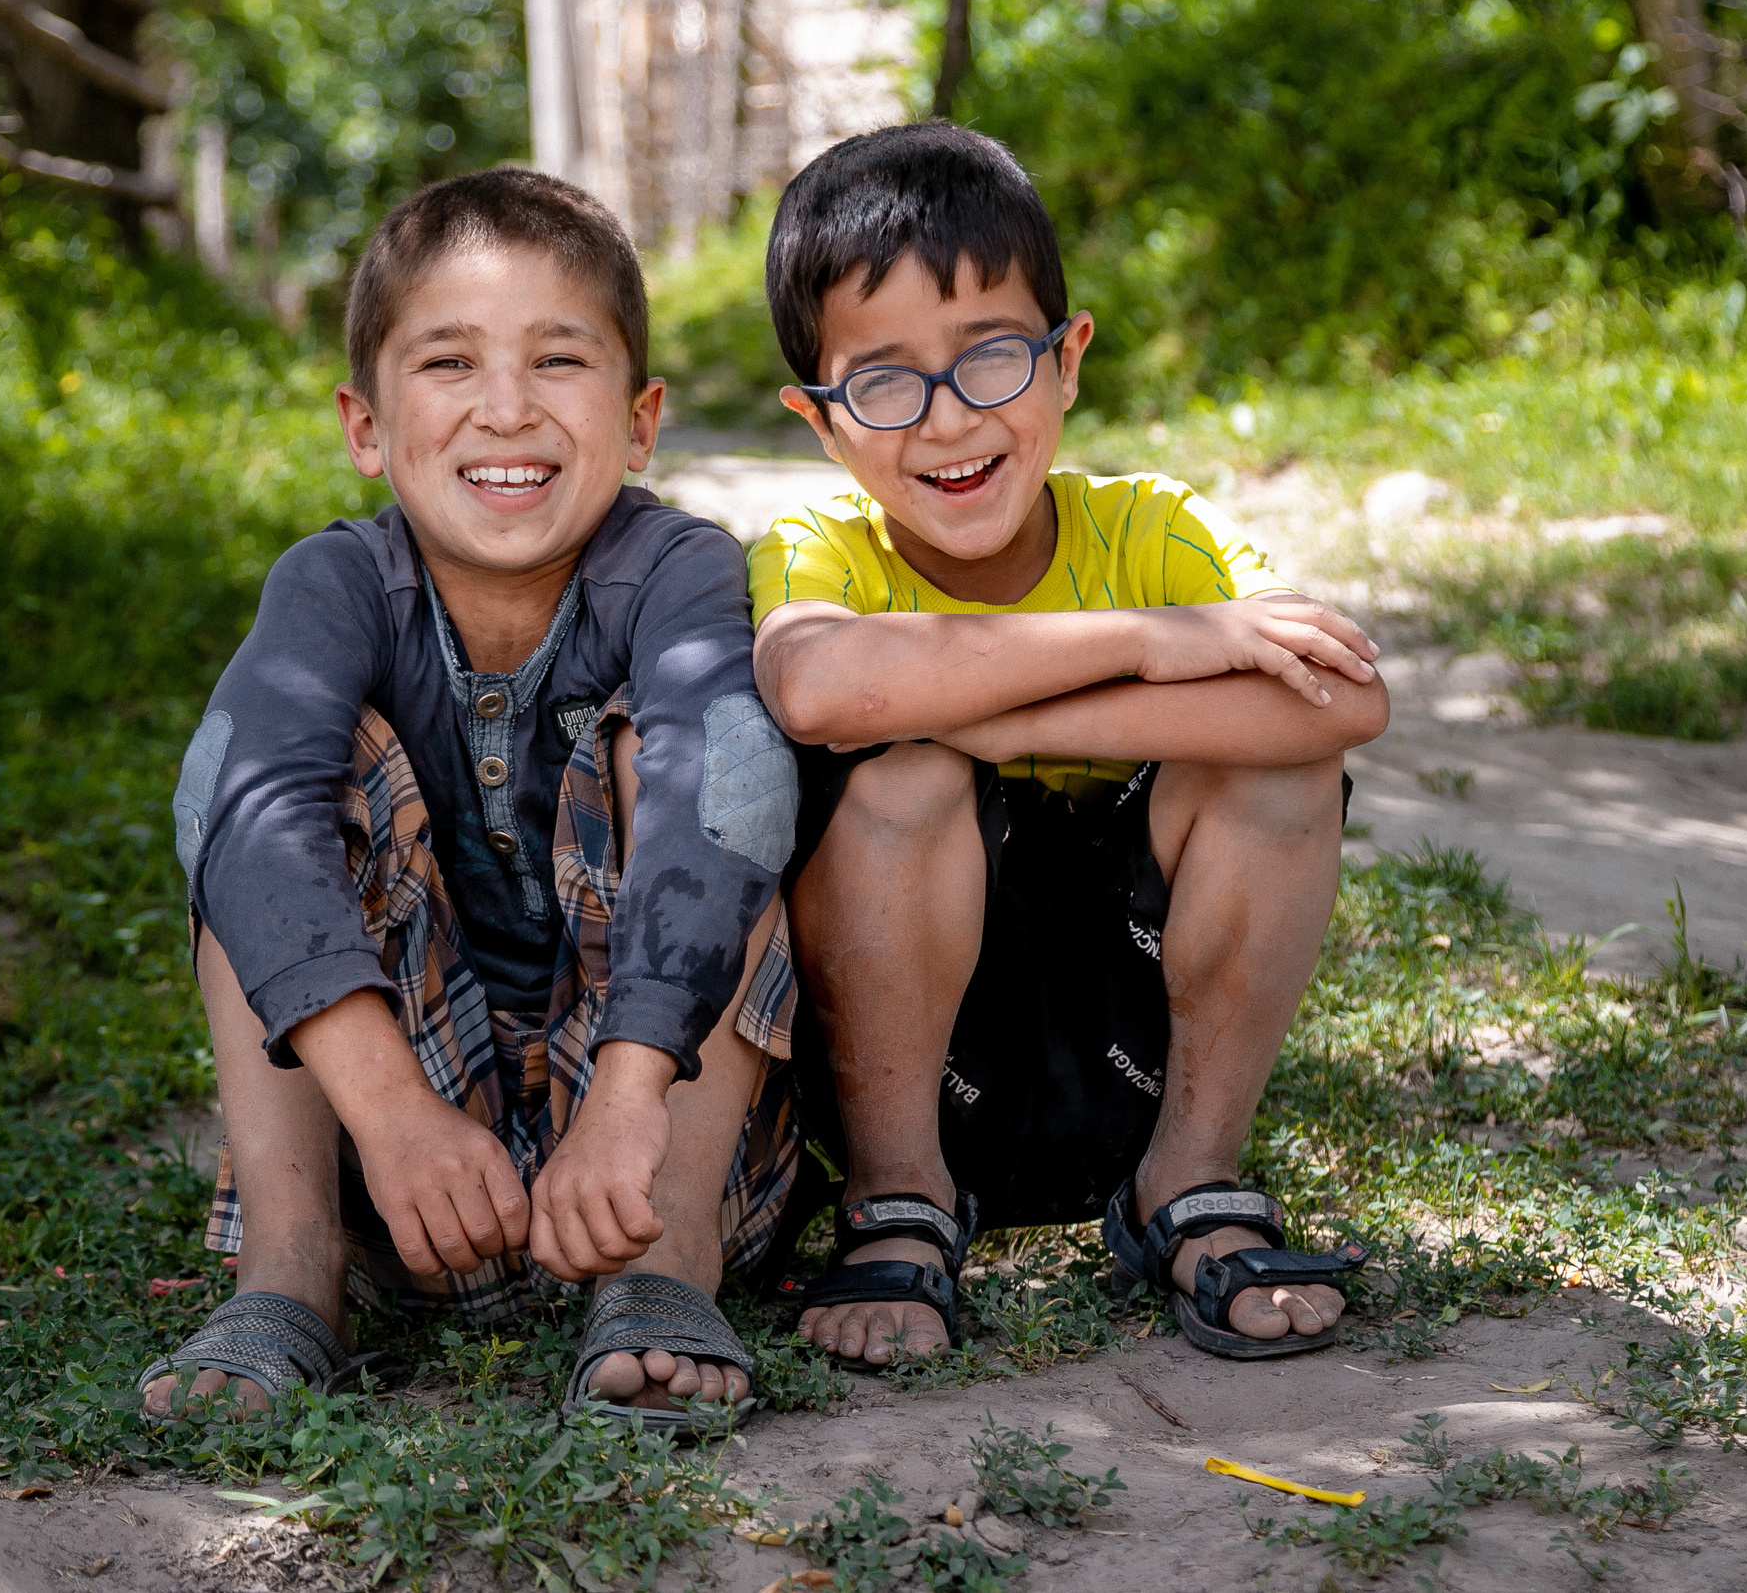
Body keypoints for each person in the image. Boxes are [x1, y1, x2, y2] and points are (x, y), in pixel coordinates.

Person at [141, 168, 801, 1435]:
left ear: (641, 418)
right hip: (397, 1180)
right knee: (253, 802)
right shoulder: (334, 582)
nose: (507, 410)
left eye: (560, 361)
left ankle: (665, 1280)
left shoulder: (679, 567)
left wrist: (626, 1103)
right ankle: (291, 1275)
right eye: (449, 364)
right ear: (366, 427)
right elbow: (239, 802)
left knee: (722, 778)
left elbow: (732, 801)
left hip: (654, 1154)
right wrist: (393, 1120)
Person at [747, 123, 1390, 1367]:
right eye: (882, 383)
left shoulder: (1151, 528)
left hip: (1129, 1046)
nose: (945, 421)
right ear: (820, 422)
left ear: (1067, 358)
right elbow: (818, 686)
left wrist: (998, 714)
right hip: (914, 1054)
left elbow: (1339, 703)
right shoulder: (819, 548)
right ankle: (899, 1206)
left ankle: (1188, 1185)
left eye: (989, 356)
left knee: (1277, 763)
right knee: (902, 776)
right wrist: (1157, 645)